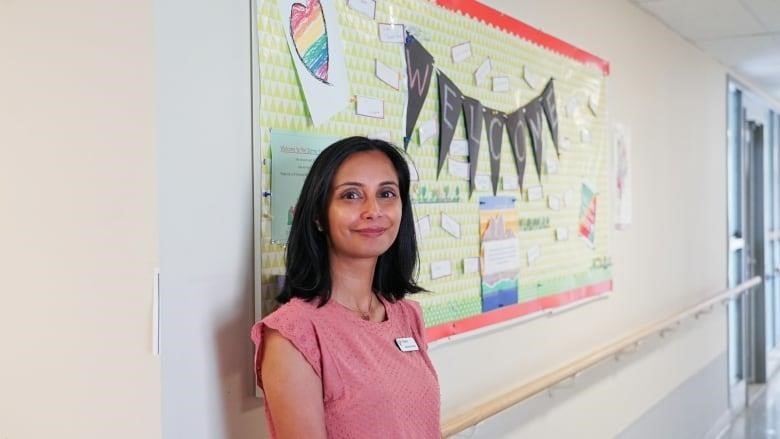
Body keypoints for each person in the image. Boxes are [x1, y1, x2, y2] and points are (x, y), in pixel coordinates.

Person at [250, 136, 441, 438]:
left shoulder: (407, 316)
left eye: (387, 193)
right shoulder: (294, 335)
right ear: (318, 215)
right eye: (351, 195)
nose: (373, 210)